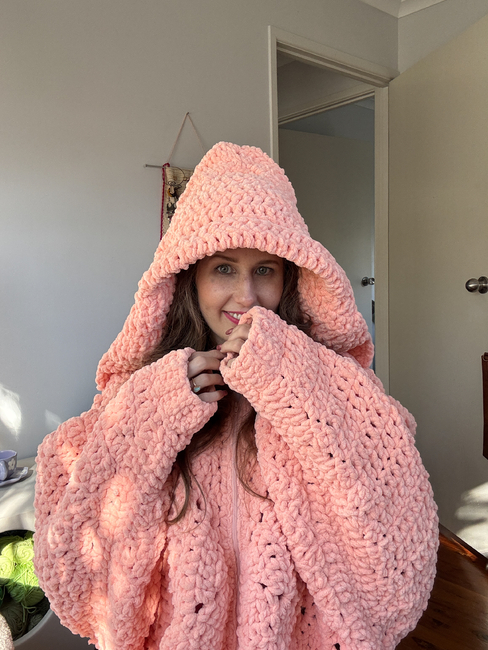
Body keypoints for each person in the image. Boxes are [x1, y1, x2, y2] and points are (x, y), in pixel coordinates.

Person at [34, 142, 438, 650]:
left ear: (291, 278)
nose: (246, 296)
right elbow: (74, 571)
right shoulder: (138, 393)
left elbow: (397, 565)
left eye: (264, 270)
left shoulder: (340, 388)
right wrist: (157, 408)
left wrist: (294, 376)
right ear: (190, 278)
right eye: (224, 268)